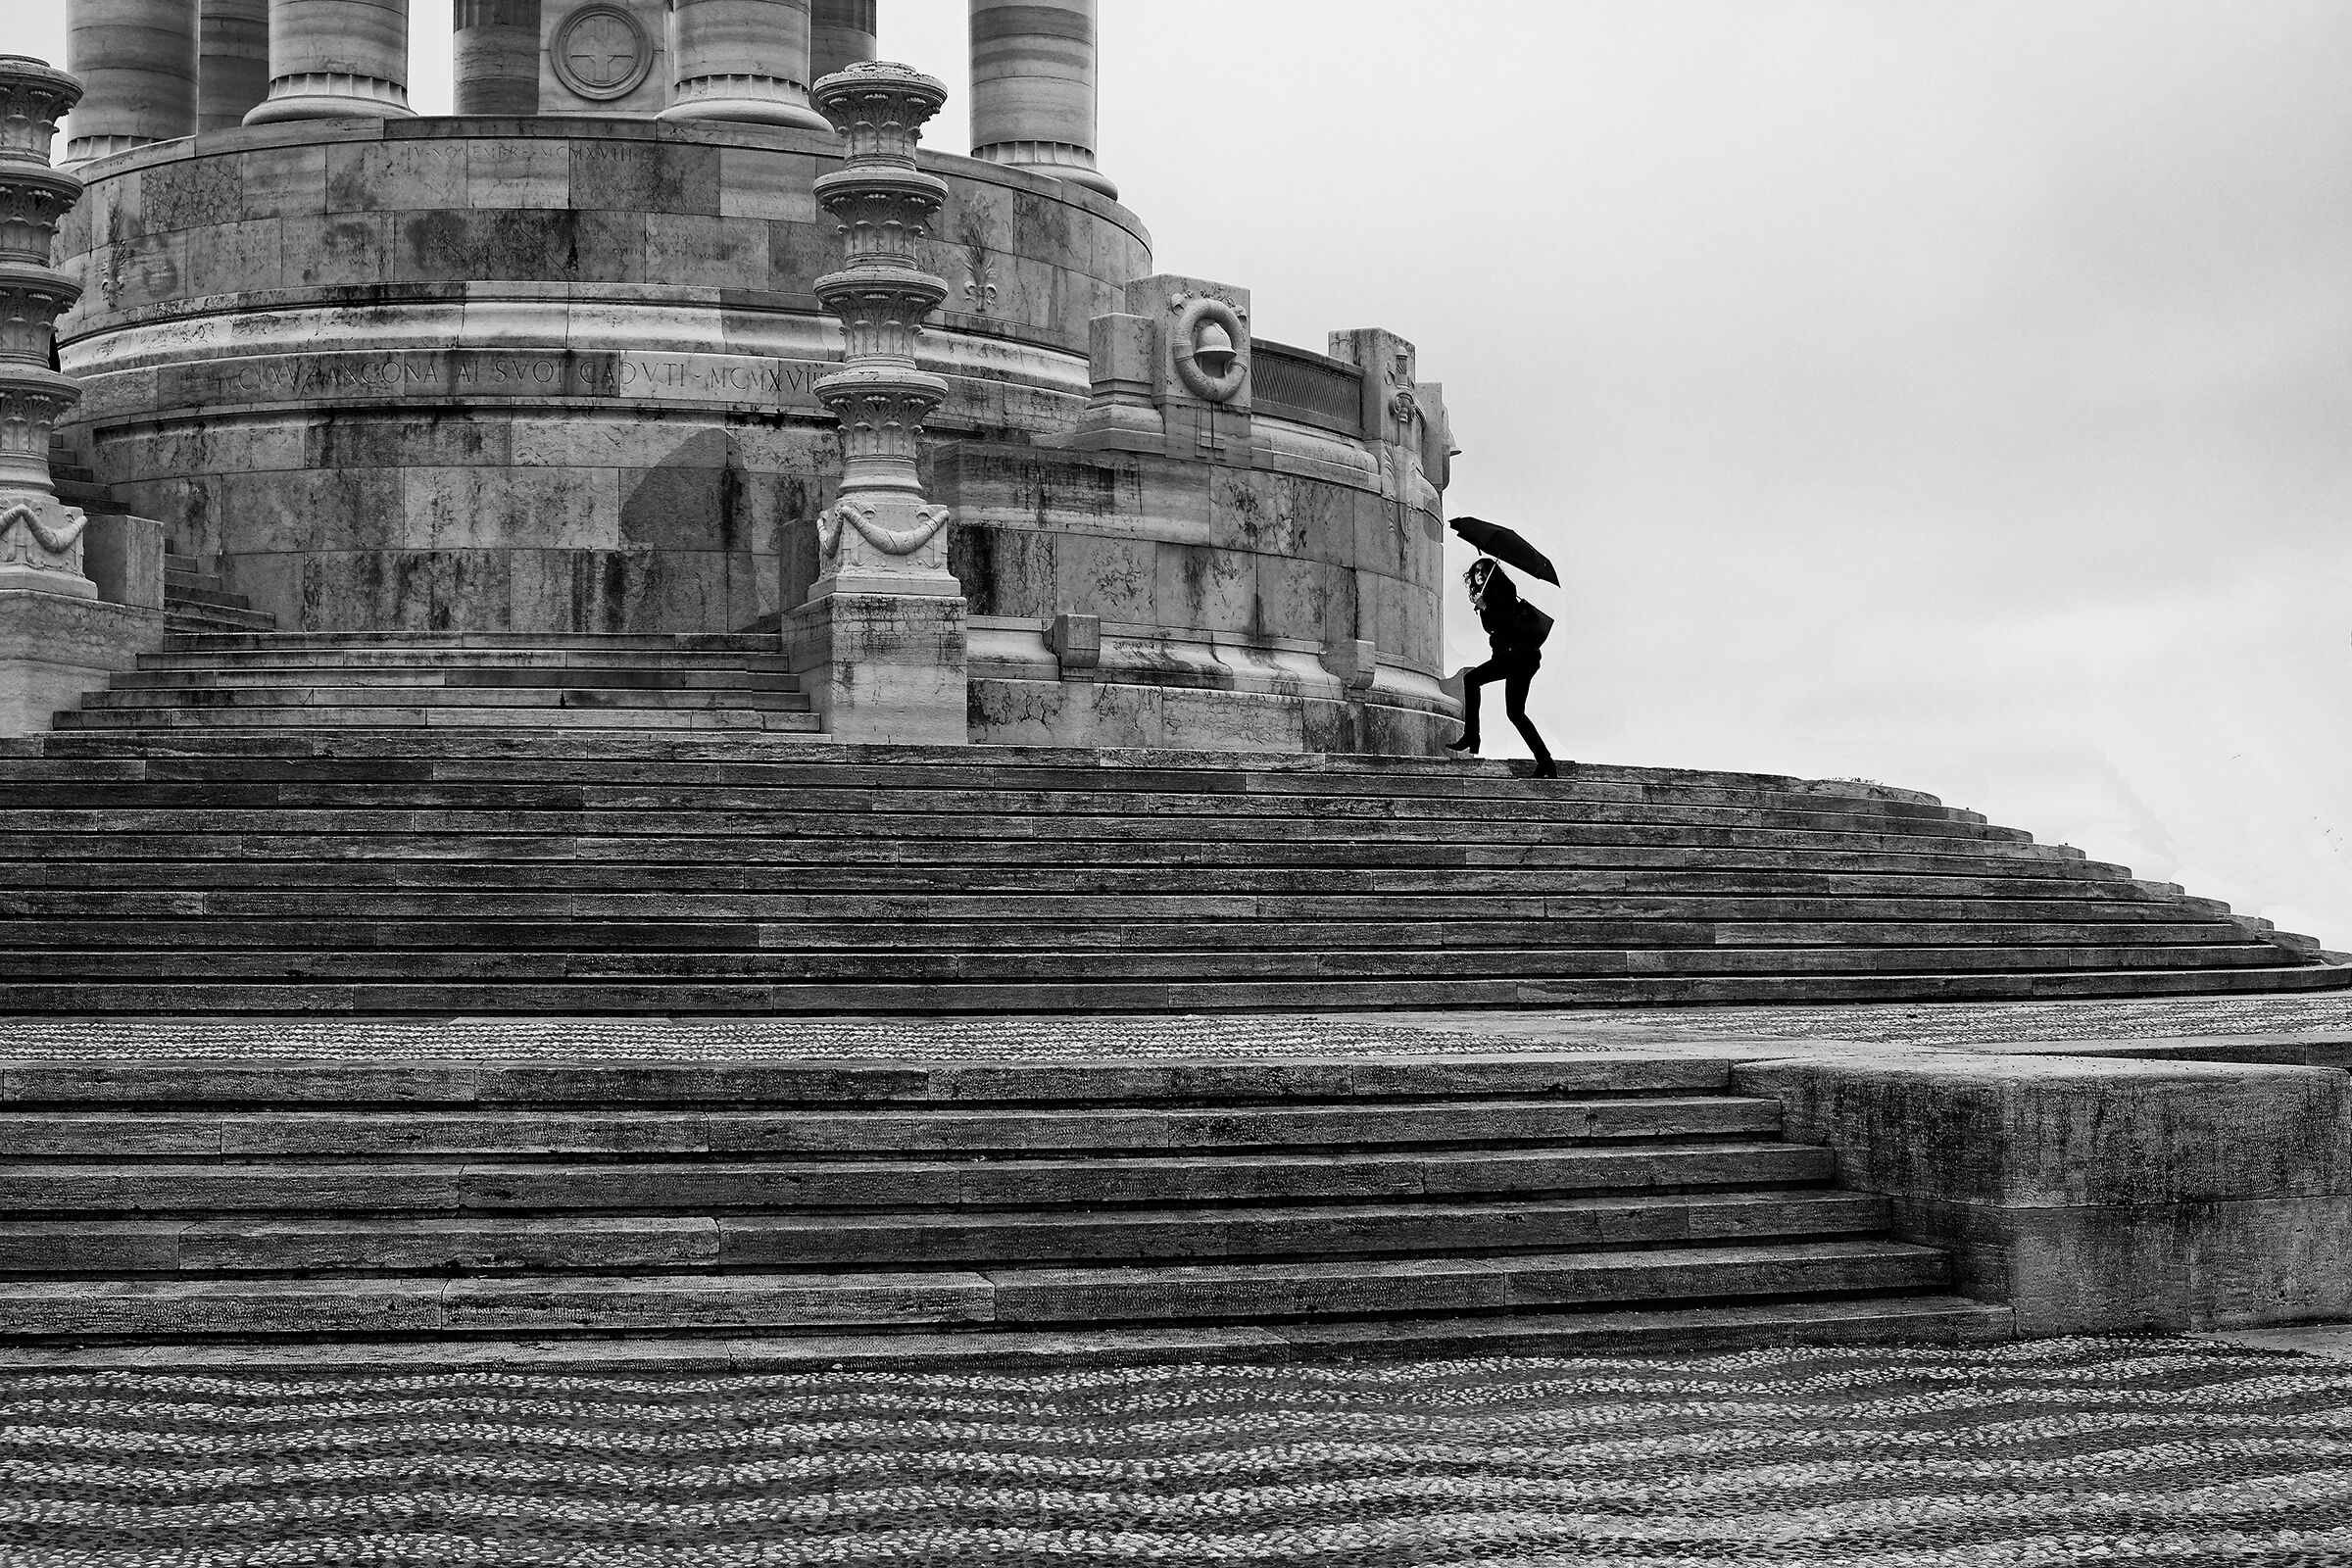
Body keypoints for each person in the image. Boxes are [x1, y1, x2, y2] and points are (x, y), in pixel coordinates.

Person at [1447, 558, 1560, 777]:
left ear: (1493, 572)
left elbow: (1507, 623)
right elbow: (1493, 627)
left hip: (1518, 654)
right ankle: (1545, 761)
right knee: (1515, 713)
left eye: (1484, 570)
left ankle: (1472, 736)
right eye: (1476, 571)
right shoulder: (1487, 596)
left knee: (1472, 679)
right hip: (1518, 657)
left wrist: (1485, 607)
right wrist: (1483, 606)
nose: (1480, 574)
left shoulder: (1505, 589)